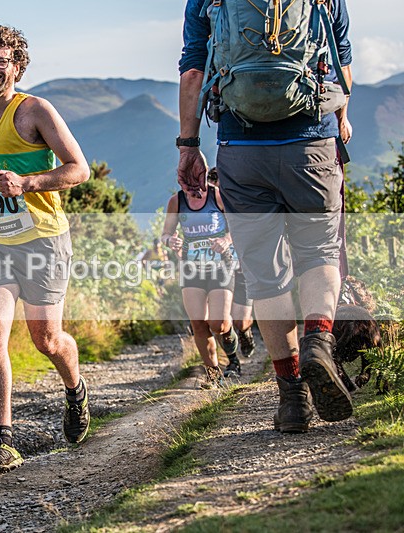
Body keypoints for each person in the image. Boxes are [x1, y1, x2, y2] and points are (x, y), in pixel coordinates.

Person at [178, 0, 354, 432]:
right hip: (311, 144)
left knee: (265, 274)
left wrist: (188, 146)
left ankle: (292, 398)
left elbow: (194, 73)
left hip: (241, 150)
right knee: (319, 254)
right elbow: (342, 63)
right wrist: (341, 119)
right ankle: (318, 340)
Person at [0, 24, 91, 478]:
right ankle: (3, 440)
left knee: (46, 339)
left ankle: (75, 389)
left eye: (0, 60)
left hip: (42, 240)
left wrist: (28, 183)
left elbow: (79, 169)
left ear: (17, 67)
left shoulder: (35, 111)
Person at [161, 182, 242, 387]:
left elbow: (238, 225)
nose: (189, 184)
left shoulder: (217, 196)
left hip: (220, 266)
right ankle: (213, 376)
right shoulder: (176, 201)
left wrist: (226, 240)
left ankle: (230, 343)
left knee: (219, 324)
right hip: (191, 269)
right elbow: (165, 234)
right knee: (198, 323)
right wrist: (170, 241)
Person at [208, 168, 256, 360]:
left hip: (241, 267)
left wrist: (227, 240)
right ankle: (232, 361)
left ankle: (245, 333)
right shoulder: (205, 211)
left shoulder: (239, 205)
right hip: (217, 270)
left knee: (240, 321)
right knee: (221, 320)